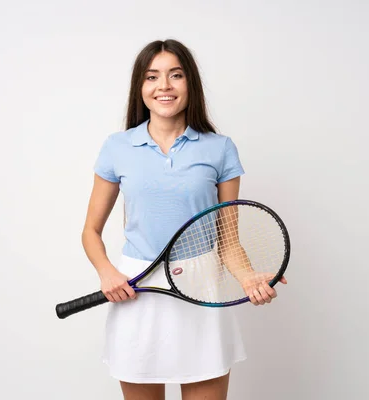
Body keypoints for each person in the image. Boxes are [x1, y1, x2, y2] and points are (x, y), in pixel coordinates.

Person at [81, 39, 287, 400]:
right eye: (152, 77)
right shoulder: (117, 147)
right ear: (140, 87)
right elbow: (90, 231)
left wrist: (247, 277)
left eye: (175, 75)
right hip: (136, 292)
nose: (164, 86)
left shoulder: (219, 149)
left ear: (190, 83)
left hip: (200, 291)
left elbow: (227, 238)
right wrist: (107, 273)